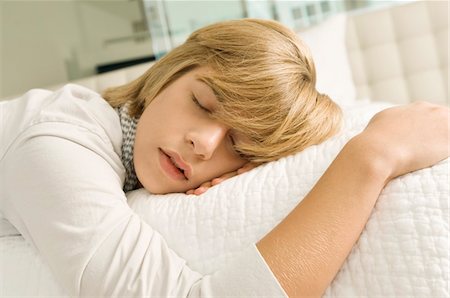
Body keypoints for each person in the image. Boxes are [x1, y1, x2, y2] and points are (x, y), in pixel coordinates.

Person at [0, 18, 448, 297]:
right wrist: (372, 156)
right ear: (171, 71)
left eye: (242, 146)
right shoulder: (54, 144)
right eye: (204, 102)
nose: (207, 145)